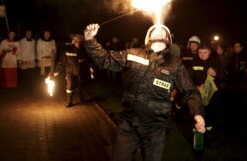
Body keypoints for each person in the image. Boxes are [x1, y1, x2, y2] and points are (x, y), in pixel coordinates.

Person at [84, 23, 205, 161]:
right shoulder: (133, 53)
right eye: (155, 29)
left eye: (162, 30)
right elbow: (106, 59)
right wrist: (90, 40)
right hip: (129, 124)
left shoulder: (175, 63)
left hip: (155, 128)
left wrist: (197, 113)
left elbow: (190, 90)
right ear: (148, 37)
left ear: (168, 38)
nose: (159, 30)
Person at [53, 34, 91, 107]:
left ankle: (80, 93)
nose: (78, 43)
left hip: (80, 71)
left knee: (80, 85)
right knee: (70, 86)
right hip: (70, 71)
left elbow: (87, 61)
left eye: (80, 42)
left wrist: (90, 68)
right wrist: (57, 71)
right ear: (74, 42)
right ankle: (69, 101)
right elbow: (61, 62)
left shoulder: (83, 50)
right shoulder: (68, 50)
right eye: (77, 41)